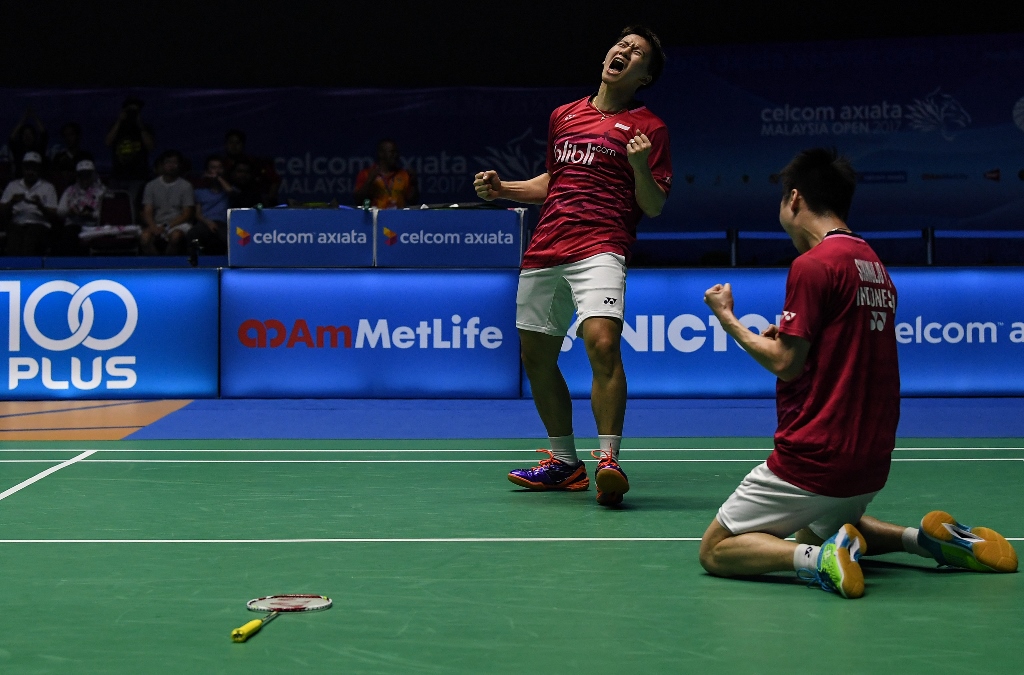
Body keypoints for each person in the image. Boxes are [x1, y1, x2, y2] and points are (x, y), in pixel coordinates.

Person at [699, 148, 1017, 599]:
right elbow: (839, 347)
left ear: (794, 198)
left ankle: (821, 561)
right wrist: (792, 337)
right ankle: (927, 542)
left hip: (815, 456)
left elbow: (785, 364)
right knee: (816, 524)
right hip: (869, 459)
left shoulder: (813, 265)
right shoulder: (873, 265)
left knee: (716, 550)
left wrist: (727, 317)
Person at [474, 26, 672, 506]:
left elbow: (653, 205)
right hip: (546, 246)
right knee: (536, 358)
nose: (624, 51)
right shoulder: (564, 115)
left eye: (637, 53)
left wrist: (640, 167)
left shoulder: (650, 128)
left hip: (601, 244)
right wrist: (504, 189)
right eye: (622, 45)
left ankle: (609, 459)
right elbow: (554, 180)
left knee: (602, 343)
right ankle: (564, 464)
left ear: (644, 77)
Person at [0, 152, 58, 255]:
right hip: (17, 223)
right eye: (27, 168)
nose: (30, 172)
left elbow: (54, 214)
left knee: (31, 233)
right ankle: (13, 264)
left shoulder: (48, 187)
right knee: (14, 233)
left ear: (39, 169)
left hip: (39, 224)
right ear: (23, 168)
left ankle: (27, 264)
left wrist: (40, 206)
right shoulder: (13, 185)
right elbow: (2, 210)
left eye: (33, 168)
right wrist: (12, 202)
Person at [140, 150, 194, 255]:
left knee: (175, 237)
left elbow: (187, 214)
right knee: (144, 238)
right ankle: (157, 263)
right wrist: (153, 226)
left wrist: (167, 226)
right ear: (162, 165)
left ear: (179, 165)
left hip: (178, 224)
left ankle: (169, 262)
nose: (171, 165)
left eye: (174, 162)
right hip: (157, 222)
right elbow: (147, 211)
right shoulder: (151, 186)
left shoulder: (186, 186)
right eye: (168, 162)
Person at [105, 96, 155, 202]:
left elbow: (150, 147)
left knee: (133, 204)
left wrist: (140, 125)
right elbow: (108, 142)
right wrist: (119, 121)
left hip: (138, 176)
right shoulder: (116, 127)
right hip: (117, 175)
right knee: (114, 203)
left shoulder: (145, 128)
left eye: (136, 111)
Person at [55, 159, 106, 255]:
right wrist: (70, 211)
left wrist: (91, 214)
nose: (85, 177)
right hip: (73, 224)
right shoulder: (70, 190)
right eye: (82, 174)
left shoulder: (102, 191)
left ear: (93, 174)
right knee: (69, 235)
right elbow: (60, 211)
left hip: (93, 226)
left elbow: (105, 213)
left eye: (87, 174)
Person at [353, 139, 419, 209]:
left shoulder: (404, 175)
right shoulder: (367, 174)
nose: (395, 155)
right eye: (392, 152)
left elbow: (413, 201)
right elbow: (358, 201)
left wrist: (414, 184)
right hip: (376, 215)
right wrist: (369, 181)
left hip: (399, 215)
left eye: (396, 152)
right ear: (381, 153)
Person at [188, 155, 233, 255]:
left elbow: (230, 191)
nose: (216, 170)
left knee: (232, 238)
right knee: (193, 233)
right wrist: (208, 223)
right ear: (207, 171)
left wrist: (218, 177)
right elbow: (198, 214)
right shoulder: (199, 192)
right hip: (205, 222)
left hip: (224, 223)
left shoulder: (227, 190)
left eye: (219, 167)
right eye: (213, 167)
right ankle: (196, 261)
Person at [223, 129, 280, 206]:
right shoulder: (221, 164)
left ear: (243, 145)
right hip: (227, 203)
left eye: (237, 143)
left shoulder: (254, 162)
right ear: (226, 145)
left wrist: (269, 200)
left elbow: (275, 180)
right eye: (231, 142)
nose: (234, 146)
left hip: (253, 201)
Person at [8, 108, 49, 177]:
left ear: (34, 136)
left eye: (30, 134)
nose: (27, 136)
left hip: (38, 180)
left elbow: (44, 134)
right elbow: (11, 138)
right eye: (25, 134)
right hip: (20, 180)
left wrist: (34, 116)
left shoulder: (39, 148)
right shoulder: (18, 149)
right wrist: (24, 118)